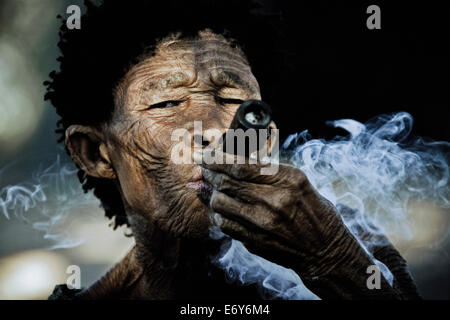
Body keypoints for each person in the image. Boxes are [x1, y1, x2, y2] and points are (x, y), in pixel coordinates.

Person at [46, 0, 420, 299]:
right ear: (96, 153)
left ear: (266, 139)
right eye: (167, 104)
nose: (210, 128)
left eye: (230, 98)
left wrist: (336, 261)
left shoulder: (350, 243)